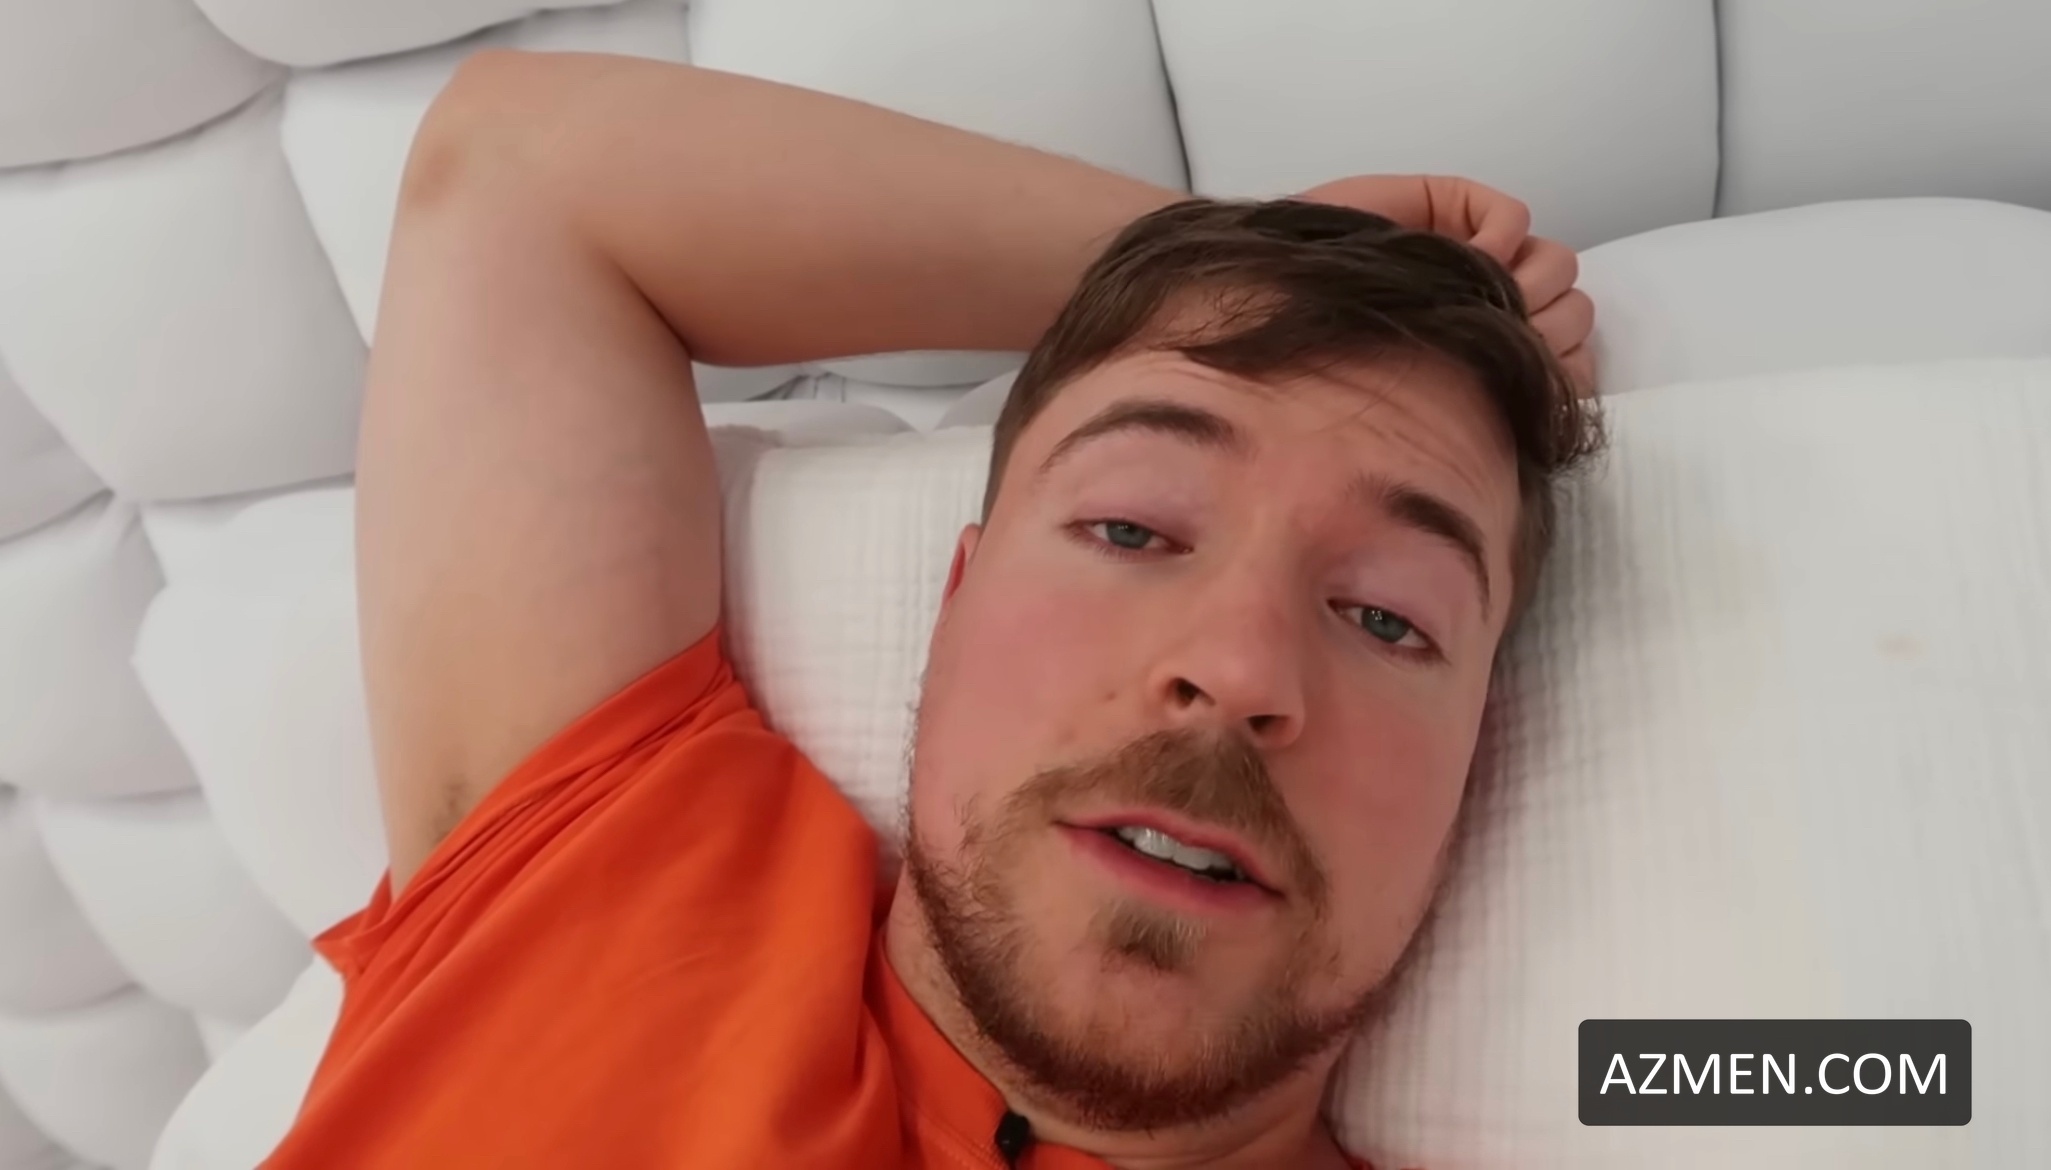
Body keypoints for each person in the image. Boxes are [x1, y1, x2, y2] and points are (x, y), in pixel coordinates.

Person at [262, 50, 1602, 1170]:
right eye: (1131, 529)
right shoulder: (601, 873)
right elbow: (521, 171)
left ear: (1477, 756)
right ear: (952, 601)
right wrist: (1220, 269)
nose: (1238, 665)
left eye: (1386, 617)